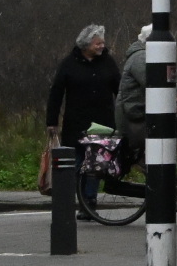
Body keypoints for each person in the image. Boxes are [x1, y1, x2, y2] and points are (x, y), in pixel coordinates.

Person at [44, 24, 120, 212]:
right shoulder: (69, 64)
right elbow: (56, 92)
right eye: (97, 43)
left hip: (102, 122)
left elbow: (119, 89)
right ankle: (75, 199)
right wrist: (52, 121)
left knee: (96, 164)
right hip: (77, 122)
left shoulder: (108, 62)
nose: (102, 46)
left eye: (102, 43)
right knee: (77, 163)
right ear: (86, 45)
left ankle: (89, 202)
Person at [115, 24, 177, 177]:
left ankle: (150, 162)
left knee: (174, 125)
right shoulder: (140, 58)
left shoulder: (152, 56)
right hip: (134, 117)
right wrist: (175, 97)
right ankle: (145, 160)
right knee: (171, 126)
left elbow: (166, 81)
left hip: (142, 114)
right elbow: (152, 83)